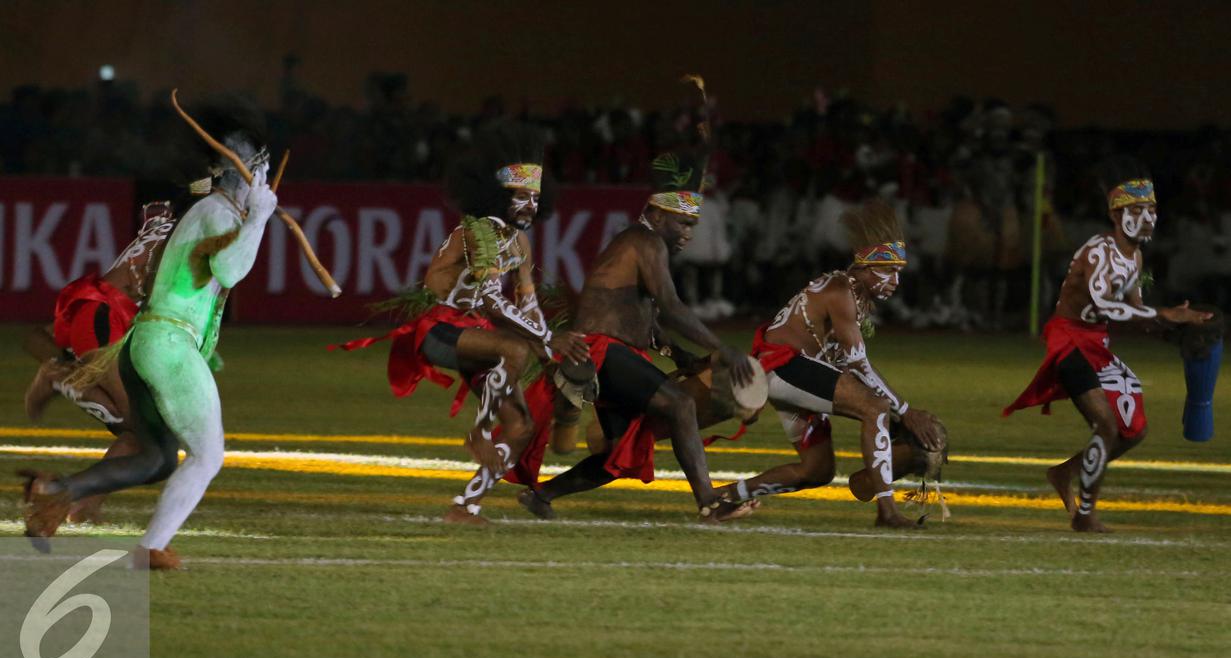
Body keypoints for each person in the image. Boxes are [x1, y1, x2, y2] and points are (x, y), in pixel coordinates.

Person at [19, 96, 278, 569]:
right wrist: (259, 217)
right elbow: (230, 270)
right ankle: (148, 547)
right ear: (245, 172)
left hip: (146, 339)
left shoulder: (205, 206)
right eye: (259, 170)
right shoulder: (217, 210)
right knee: (207, 456)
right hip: (162, 340)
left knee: (156, 456)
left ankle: (59, 492)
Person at [332, 123, 587, 523]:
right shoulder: (479, 232)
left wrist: (547, 352)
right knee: (514, 348)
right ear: (499, 196)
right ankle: (479, 434)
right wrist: (547, 337)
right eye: (522, 196)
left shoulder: (519, 243)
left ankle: (465, 506)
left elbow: (528, 303)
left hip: (477, 337)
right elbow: (490, 299)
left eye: (536, 198)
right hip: (440, 330)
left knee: (521, 426)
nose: (531, 205)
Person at [516, 139, 756, 521]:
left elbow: (649, 318)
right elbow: (673, 307)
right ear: (657, 216)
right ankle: (709, 501)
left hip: (607, 353)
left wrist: (681, 355)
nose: (688, 233)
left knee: (619, 451)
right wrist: (720, 348)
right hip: (602, 351)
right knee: (681, 406)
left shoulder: (639, 243)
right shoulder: (646, 241)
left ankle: (542, 496)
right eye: (683, 223)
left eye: (692, 225)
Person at [701, 200, 945, 527]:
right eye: (888, 271)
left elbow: (842, 362)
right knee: (875, 407)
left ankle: (722, 498)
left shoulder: (853, 295)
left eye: (899, 272)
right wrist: (905, 411)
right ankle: (887, 512)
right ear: (865, 267)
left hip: (791, 370)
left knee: (817, 470)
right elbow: (858, 364)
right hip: (786, 367)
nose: (895, 282)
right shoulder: (840, 291)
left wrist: (898, 419)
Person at [1003, 157, 1212, 532]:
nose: (1147, 218)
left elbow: (1135, 310)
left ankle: (1065, 472)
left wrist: (1171, 330)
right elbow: (1104, 306)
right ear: (1116, 215)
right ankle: (1085, 515)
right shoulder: (1099, 250)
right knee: (1106, 425)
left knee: (1135, 431)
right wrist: (1165, 314)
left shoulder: (1137, 258)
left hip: (1096, 343)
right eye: (1137, 210)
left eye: (1152, 210)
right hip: (1069, 341)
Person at [23, 197, 200, 524]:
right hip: (106, 315)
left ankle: (87, 502)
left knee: (142, 432)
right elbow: (147, 281)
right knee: (147, 433)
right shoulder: (186, 237)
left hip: (103, 308)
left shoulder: (172, 227)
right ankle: (57, 377)